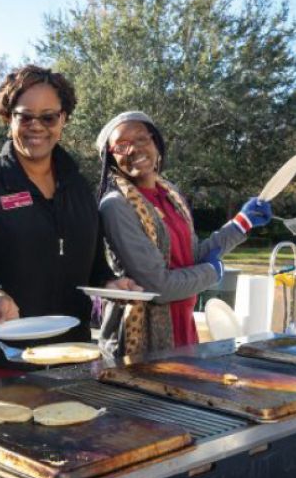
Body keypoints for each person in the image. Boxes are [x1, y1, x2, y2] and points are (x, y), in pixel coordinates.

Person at [0, 65, 138, 385]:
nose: (37, 126)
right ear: (9, 120)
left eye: (48, 117)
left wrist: (110, 284)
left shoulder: (77, 186)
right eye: (25, 116)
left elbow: (92, 264)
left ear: (63, 120)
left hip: (65, 354)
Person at [96, 111, 272, 359]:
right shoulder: (116, 206)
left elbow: (193, 255)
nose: (134, 149)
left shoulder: (171, 195)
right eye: (121, 146)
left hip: (183, 327)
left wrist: (241, 224)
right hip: (142, 340)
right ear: (111, 159)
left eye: (142, 139)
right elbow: (158, 286)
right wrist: (213, 273)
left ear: (155, 142)